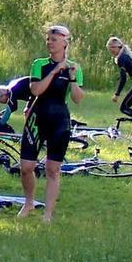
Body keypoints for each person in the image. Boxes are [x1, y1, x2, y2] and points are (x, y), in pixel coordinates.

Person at [19, 24, 83, 223]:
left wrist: (72, 78)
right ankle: (29, 202)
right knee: (26, 166)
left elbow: (78, 99)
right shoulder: (39, 64)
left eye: (54, 39)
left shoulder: (74, 67)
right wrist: (55, 71)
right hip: (38, 117)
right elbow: (36, 90)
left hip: (59, 119)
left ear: (65, 42)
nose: (49, 43)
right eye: (48, 39)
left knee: (53, 169)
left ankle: (48, 213)